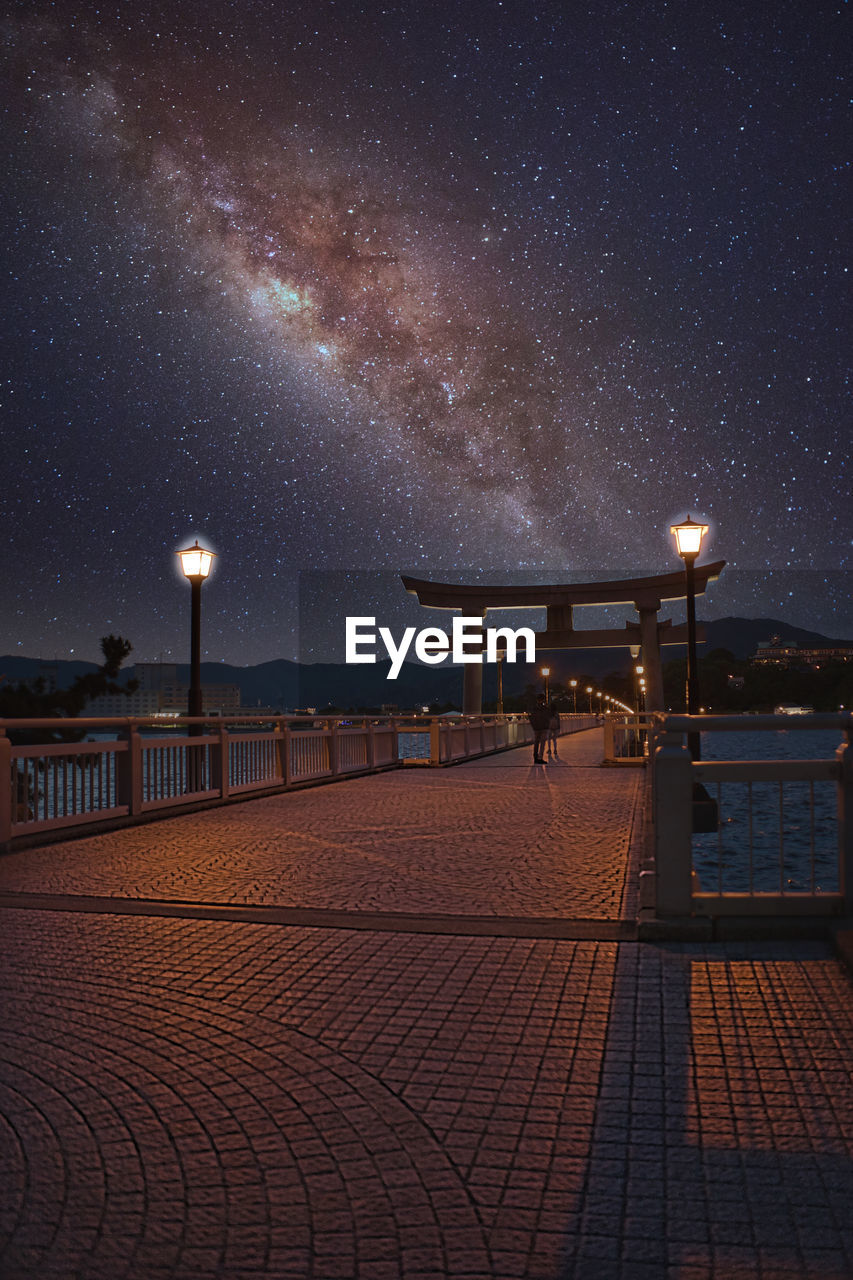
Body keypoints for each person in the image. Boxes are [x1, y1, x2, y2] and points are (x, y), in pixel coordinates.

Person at [528, 694, 551, 764]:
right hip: (543, 728)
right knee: (542, 743)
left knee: (537, 743)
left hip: (537, 728)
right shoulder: (545, 708)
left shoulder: (533, 708)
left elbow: (530, 717)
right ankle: (539, 757)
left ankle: (536, 757)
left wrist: (534, 725)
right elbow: (548, 717)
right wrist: (547, 725)